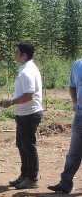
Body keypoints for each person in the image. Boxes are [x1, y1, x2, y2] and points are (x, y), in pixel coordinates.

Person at [0, 42, 43, 189]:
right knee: (21, 144)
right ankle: (24, 175)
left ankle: (32, 179)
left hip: (29, 114)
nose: (14, 54)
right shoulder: (24, 68)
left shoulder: (27, 71)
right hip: (24, 113)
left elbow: (29, 95)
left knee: (28, 146)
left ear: (24, 54)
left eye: (16, 52)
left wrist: (10, 102)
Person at [48, 58, 82, 194]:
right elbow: (72, 86)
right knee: (73, 152)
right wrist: (75, 103)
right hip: (80, 115)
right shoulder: (78, 64)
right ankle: (65, 183)